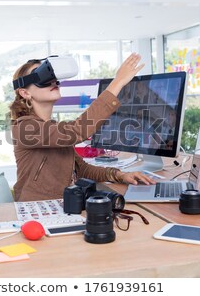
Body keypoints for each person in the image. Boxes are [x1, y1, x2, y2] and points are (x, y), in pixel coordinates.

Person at [10, 53, 156, 201]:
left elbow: (82, 169)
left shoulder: (52, 128)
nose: (53, 82)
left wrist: (120, 175)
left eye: (53, 77)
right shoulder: (23, 128)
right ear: (25, 93)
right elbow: (78, 130)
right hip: (36, 209)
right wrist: (118, 82)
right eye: (42, 78)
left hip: (62, 204)